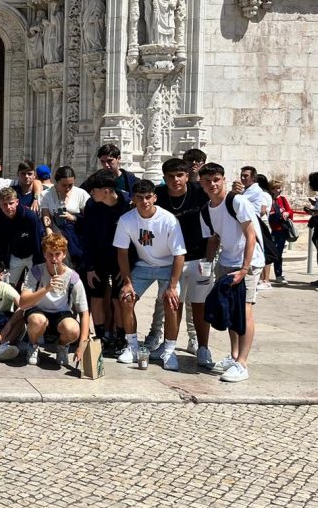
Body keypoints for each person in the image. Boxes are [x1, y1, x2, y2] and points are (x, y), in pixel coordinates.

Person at [199, 162, 265, 382]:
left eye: (216, 179)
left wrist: (245, 268)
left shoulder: (237, 201)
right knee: (231, 310)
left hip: (249, 262)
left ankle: (242, 363)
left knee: (244, 311)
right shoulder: (206, 210)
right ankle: (234, 355)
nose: (213, 184)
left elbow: (251, 235)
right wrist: (208, 265)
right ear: (201, 183)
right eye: (208, 181)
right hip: (226, 262)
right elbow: (213, 239)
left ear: (224, 179)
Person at [113, 179, 187, 370]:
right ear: (133, 199)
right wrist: (128, 282)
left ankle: (169, 351)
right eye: (139, 198)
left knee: (172, 304)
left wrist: (172, 286)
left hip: (168, 266)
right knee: (126, 299)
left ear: (154, 197)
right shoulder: (126, 220)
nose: (144, 202)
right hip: (144, 265)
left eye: (148, 197)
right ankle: (133, 346)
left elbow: (179, 254)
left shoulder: (169, 219)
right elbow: (121, 252)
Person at [153, 158, 211, 359]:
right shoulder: (157, 195)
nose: (175, 180)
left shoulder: (200, 193)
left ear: (187, 176)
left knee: (199, 304)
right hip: (171, 260)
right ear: (164, 178)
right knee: (171, 303)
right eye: (170, 176)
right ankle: (169, 345)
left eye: (179, 175)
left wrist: (210, 260)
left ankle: (202, 346)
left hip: (199, 257)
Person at [77, 170, 132, 357]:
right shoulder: (92, 205)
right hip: (98, 257)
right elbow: (87, 237)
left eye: (94, 190)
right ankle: (100, 336)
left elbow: (134, 239)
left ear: (107, 190)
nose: (91, 193)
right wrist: (90, 267)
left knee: (119, 299)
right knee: (97, 297)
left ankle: (120, 338)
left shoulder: (127, 204)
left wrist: (127, 268)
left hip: (120, 259)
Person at [18, 234, 90, 368]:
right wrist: (46, 288)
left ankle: (62, 346)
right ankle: (33, 345)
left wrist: (82, 344)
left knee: (73, 329)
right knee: (37, 320)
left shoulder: (72, 277)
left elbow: (84, 311)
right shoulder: (36, 271)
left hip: (61, 313)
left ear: (64, 254)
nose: (54, 259)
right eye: (50, 254)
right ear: (44, 254)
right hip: (38, 310)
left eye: (58, 254)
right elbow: (23, 303)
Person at [0, 187, 44, 289]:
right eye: (4, 204)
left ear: (17, 202)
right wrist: (3, 265)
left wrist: (38, 264)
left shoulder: (30, 217)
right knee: (5, 286)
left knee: (37, 285)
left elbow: (38, 241)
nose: (8, 207)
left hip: (32, 256)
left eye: (11, 203)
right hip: (14, 256)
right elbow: (0, 245)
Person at [39, 165, 88, 265]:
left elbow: (89, 218)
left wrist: (73, 217)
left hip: (76, 237)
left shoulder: (81, 194)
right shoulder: (46, 195)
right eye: (64, 185)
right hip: (57, 235)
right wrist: (50, 233)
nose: (68, 188)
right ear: (57, 182)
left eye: (71, 185)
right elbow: (46, 216)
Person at [266, 179, 293, 285]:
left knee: (278, 254)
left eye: (280, 187)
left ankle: (278, 274)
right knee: (268, 253)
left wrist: (287, 213)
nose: (280, 190)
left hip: (281, 230)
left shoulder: (282, 199)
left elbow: (290, 211)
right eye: (277, 188)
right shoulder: (268, 199)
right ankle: (264, 277)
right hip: (270, 230)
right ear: (271, 189)